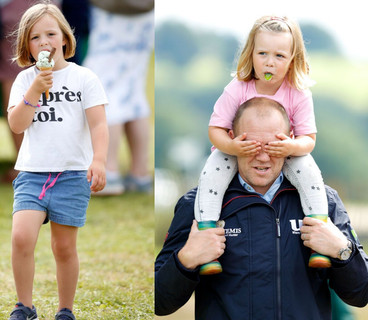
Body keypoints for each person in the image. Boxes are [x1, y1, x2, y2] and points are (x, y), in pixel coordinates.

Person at [155, 97, 368, 318]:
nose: (263, 157)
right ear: (231, 140)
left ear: (290, 142)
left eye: (273, 147)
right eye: (252, 146)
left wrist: (342, 251)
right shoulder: (196, 205)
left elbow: (361, 294)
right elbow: (159, 303)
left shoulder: (325, 202)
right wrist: (186, 259)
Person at [194, 15, 329, 272]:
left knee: (311, 174)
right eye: (263, 53)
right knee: (210, 175)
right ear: (251, 55)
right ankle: (207, 238)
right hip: (238, 151)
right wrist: (232, 147)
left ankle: (318, 238)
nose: (270, 62)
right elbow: (215, 130)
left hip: (283, 153)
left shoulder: (298, 93)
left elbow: (308, 140)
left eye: (279, 56)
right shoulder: (238, 87)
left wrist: (291, 148)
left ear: (292, 60)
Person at [6, 2, 109, 319]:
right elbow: (17, 125)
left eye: (51, 34)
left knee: (63, 247)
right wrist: (35, 90)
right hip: (33, 174)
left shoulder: (84, 78)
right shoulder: (25, 80)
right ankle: (25, 306)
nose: (44, 42)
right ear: (27, 45)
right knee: (21, 237)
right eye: (35, 37)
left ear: (64, 38)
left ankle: (65, 309)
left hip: (72, 175)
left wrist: (100, 160)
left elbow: (98, 124)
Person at [82, 0, 154, 195]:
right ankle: (140, 175)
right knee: (133, 91)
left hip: (111, 12)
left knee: (105, 89)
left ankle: (109, 172)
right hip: (145, 12)